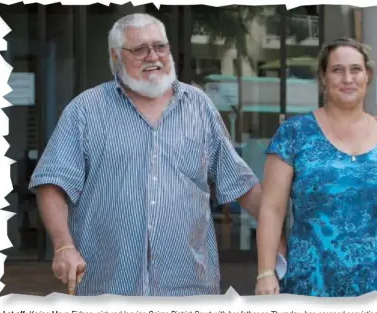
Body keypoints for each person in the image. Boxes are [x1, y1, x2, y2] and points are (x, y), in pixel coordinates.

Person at [29, 13, 285, 297]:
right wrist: (64, 246)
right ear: (116, 56)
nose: (153, 56)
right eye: (140, 49)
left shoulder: (198, 106)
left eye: (160, 46)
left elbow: (241, 184)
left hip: (189, 287)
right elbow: (52, 183)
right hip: (108, 287)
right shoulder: (86, 110)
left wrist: (282, 237)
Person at [254, 37, 377, 298]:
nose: (348, 78)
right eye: (337, 70)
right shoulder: (294, 134)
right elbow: (272, 209)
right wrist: (266, 272)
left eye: (356, 69)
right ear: (323, 76)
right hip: (313, 287)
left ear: (368, 76)